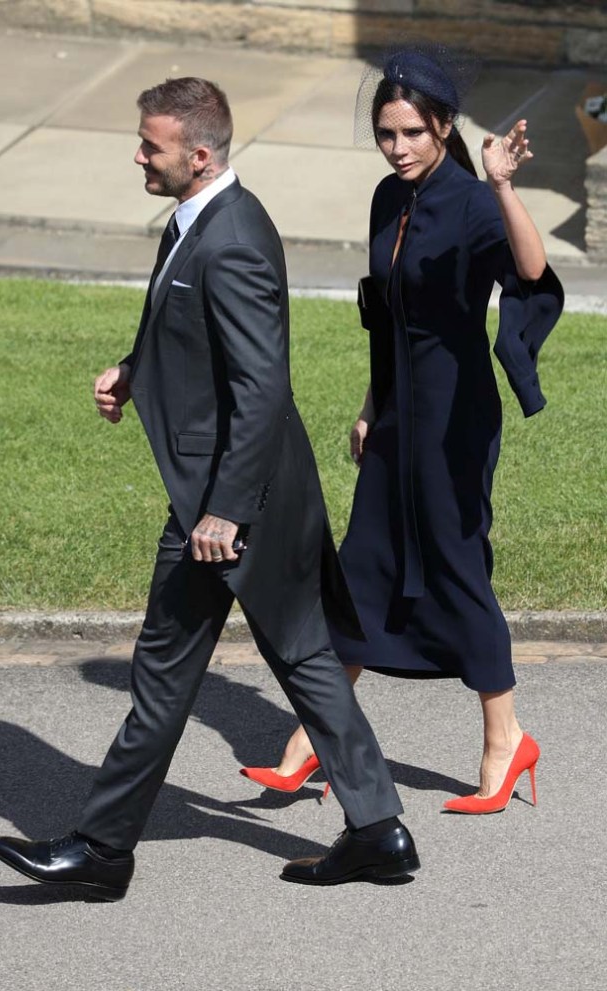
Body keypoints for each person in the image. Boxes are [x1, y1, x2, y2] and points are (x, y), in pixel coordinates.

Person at [0, 76, 420, 899]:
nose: (138, 155)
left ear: (200, 152)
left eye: (150, 145)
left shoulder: (233, 238)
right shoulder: (203, 219)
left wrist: (224, 507)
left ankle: (103, 850)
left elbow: (261, 385)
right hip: (252, 492)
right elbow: (190, 334)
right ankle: (379, 830)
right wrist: (134, 369)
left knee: (166, 667)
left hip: (230, 502)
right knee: (301, 656)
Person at [240, 47, 563, 814]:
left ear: (444, 127)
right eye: (387, 133)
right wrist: (368, 404)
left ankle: (505, 739)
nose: (398, 147)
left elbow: (529, 269)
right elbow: (387, 317)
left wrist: (504, 185)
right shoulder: (389, 198)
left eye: (413, 132)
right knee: (363, 568)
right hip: (397, 413)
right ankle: (311, 738)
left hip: (456, 416)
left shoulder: (473, 201)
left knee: (455, 566)